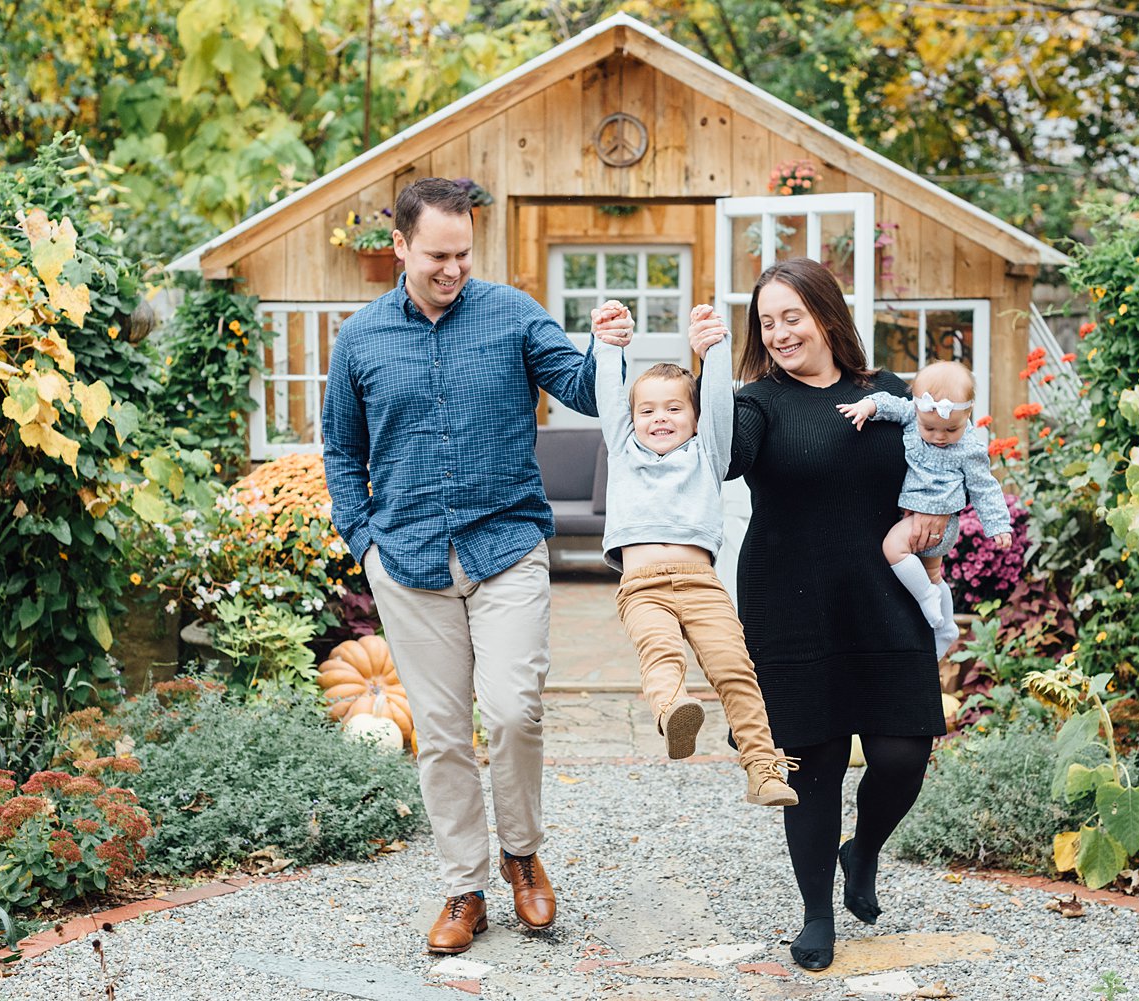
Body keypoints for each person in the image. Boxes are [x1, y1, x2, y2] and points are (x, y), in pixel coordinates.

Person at [321, 177, 634, 955]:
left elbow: (583, 390)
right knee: (441, 732)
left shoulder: (514, 314)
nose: (453, 267)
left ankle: (521, 854)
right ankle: (466, 888)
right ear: (400, 245)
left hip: (506, 549)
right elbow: (340, 447)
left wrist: (610, 346)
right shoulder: (360, 338)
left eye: (463, 252)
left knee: (513, 707)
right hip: (409, 558)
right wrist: (366, 544)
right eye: (437, 254)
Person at [689, 258, 948, 971]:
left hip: (883, 591)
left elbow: (938, 465)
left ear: (827, 315)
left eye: (791, 316)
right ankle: (815, 912)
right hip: (789, 599)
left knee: (905, 749)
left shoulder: (890, 392)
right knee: (814, 762)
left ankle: (861, 849)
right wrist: (706, 363)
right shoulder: (757, 402)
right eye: (766, 322)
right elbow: (721, 454)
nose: (778, 333)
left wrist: (936, 517)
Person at [589, 301, 798, 807]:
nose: (660, 418)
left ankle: (763, 768)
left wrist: (714, 349)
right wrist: (607, 344)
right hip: (642, 587)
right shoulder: (623, 448)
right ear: (632, 418)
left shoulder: (708, 452)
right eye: (648, 410)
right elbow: (609, 396)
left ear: (695, 414)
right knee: (660, 655)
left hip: (702, 583)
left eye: (674, 408)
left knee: (734, 667)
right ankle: (674, 711)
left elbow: (721, 405)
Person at [835, 360, 1013, 639]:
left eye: (951, 430)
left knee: (893, 549)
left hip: (941, 522)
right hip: (918, 519)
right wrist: (867, 407)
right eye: (929, 429)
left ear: (968, 414)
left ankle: (927, 597)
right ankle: (946, 628)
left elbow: (984, 487)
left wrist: (998, 526)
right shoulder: (913, 414)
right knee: (932, 573)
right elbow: (890, 404)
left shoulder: (970, 448)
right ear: (918, 409)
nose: (940, 437)